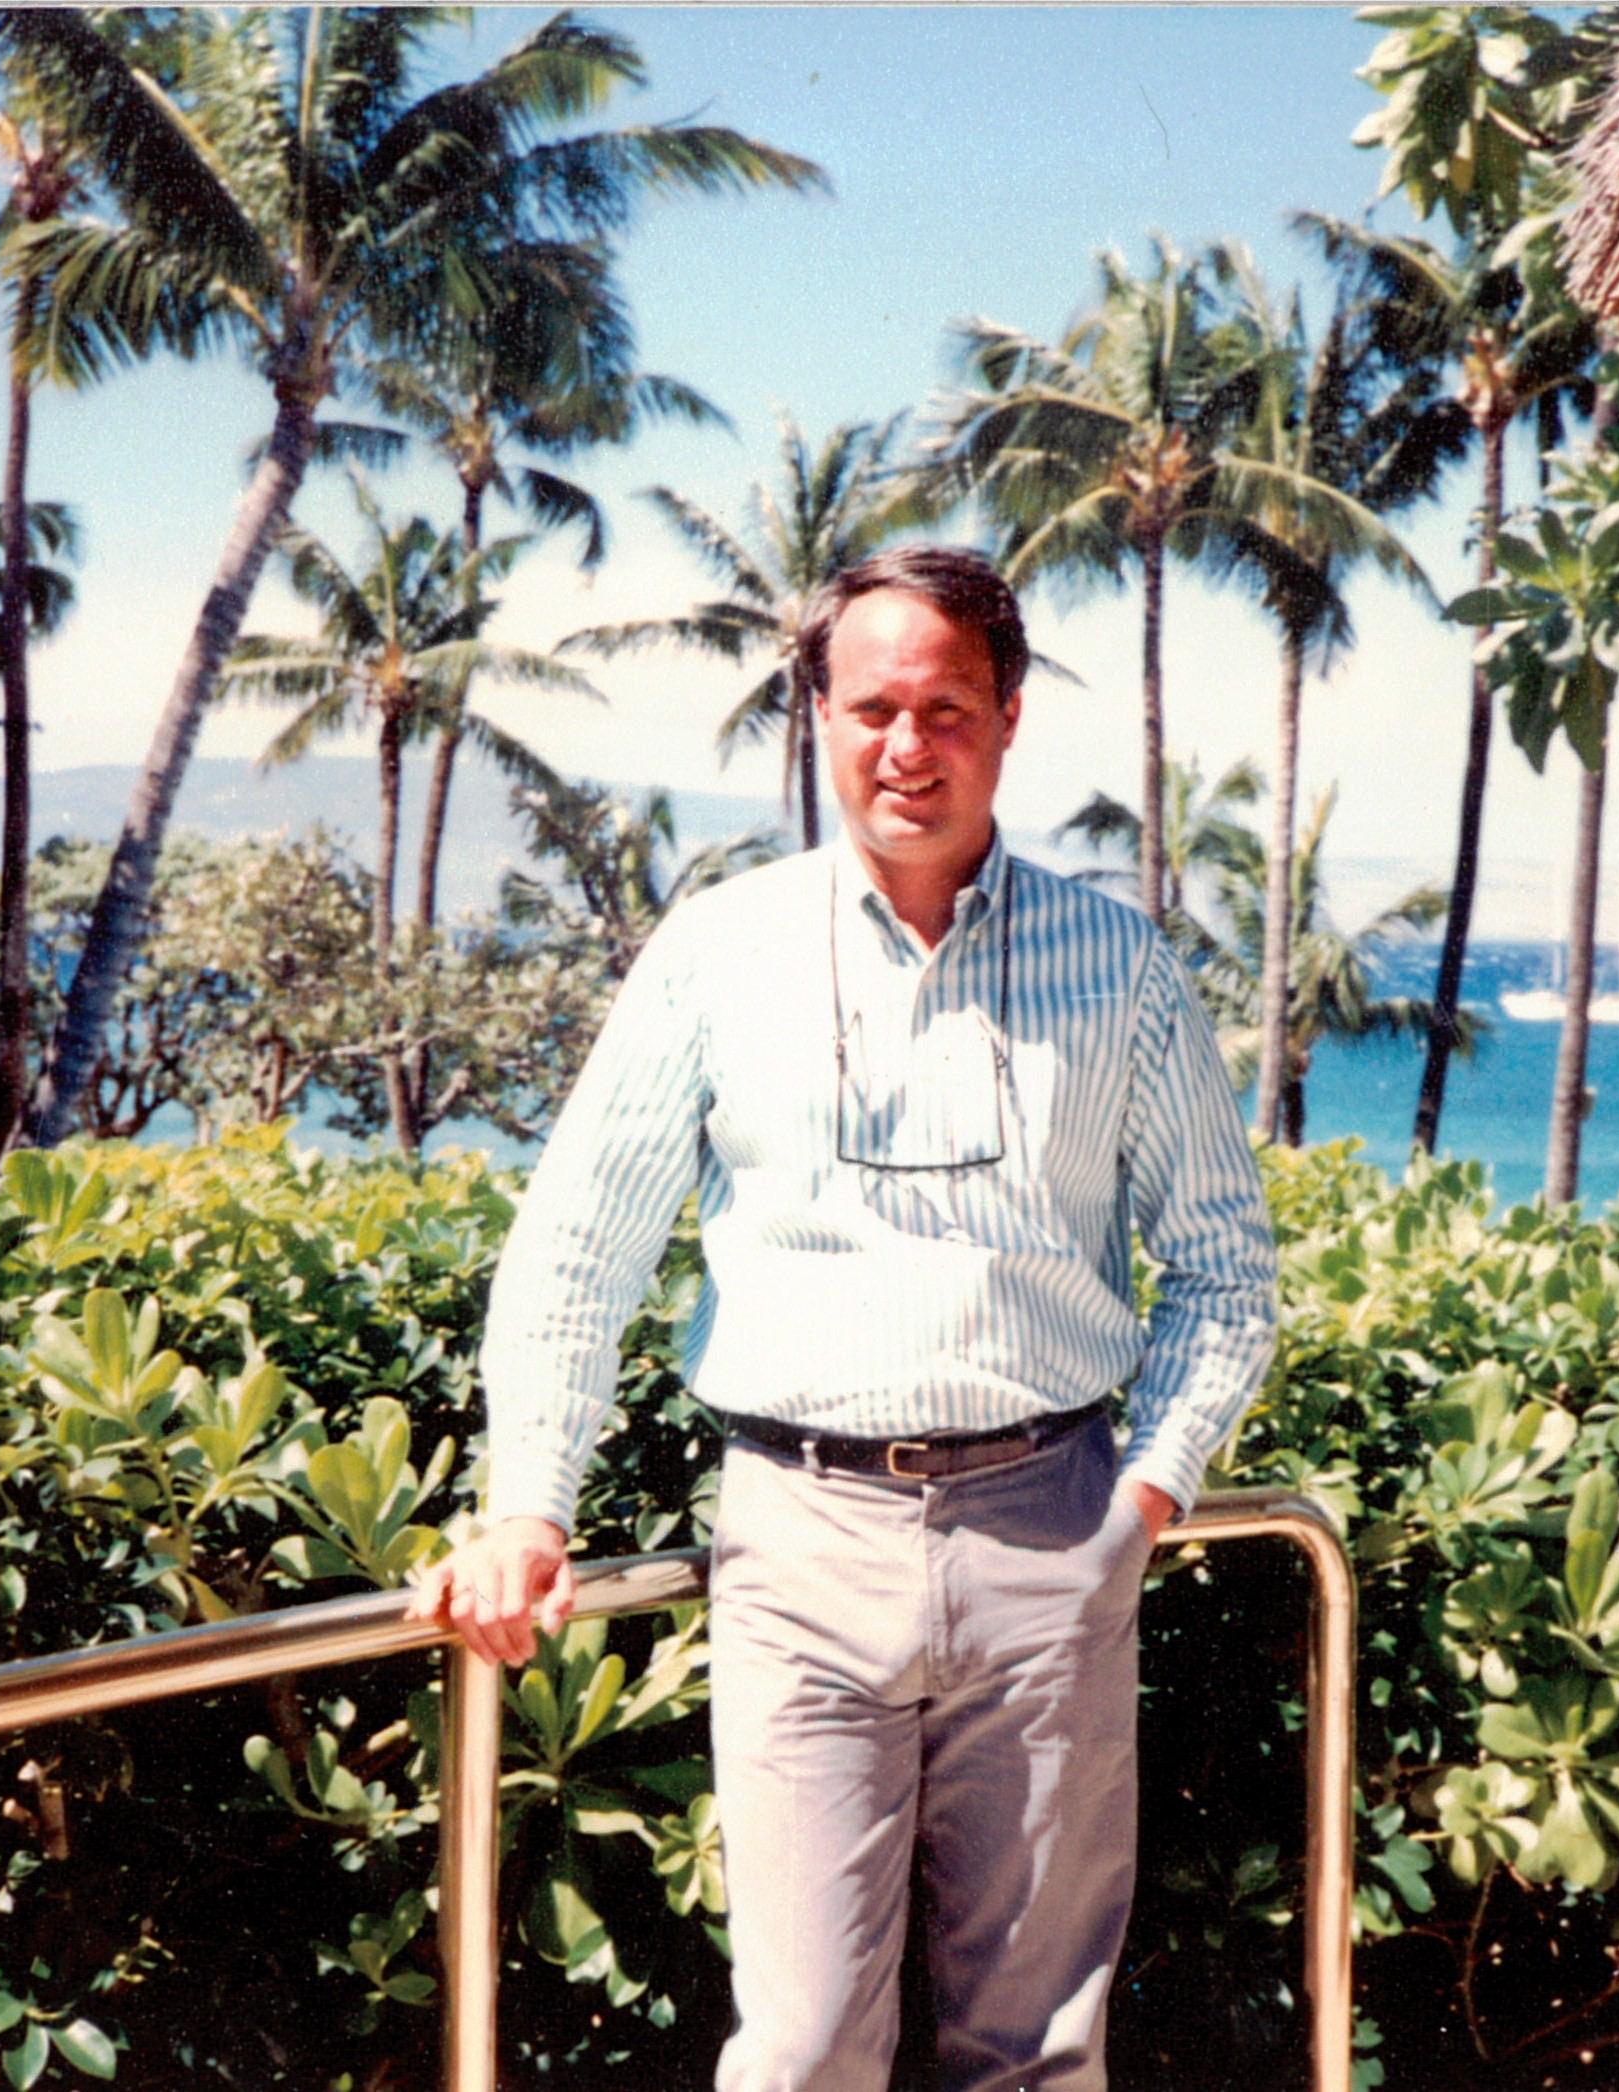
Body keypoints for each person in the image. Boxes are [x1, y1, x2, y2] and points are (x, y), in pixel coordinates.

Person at [409, 544, 1278, 2092]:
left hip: (1052, 1535)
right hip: (797, 1545)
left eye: (949, 705)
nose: (909, 742)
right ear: (817, 716)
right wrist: (528, 1503)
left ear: (1009, 718)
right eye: (873, 703)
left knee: (1037, 2052)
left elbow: (1225, 1271)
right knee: (805, 2046)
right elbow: (575, 1250)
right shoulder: (713, 956)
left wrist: (1140, 1506)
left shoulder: (1121, 969)